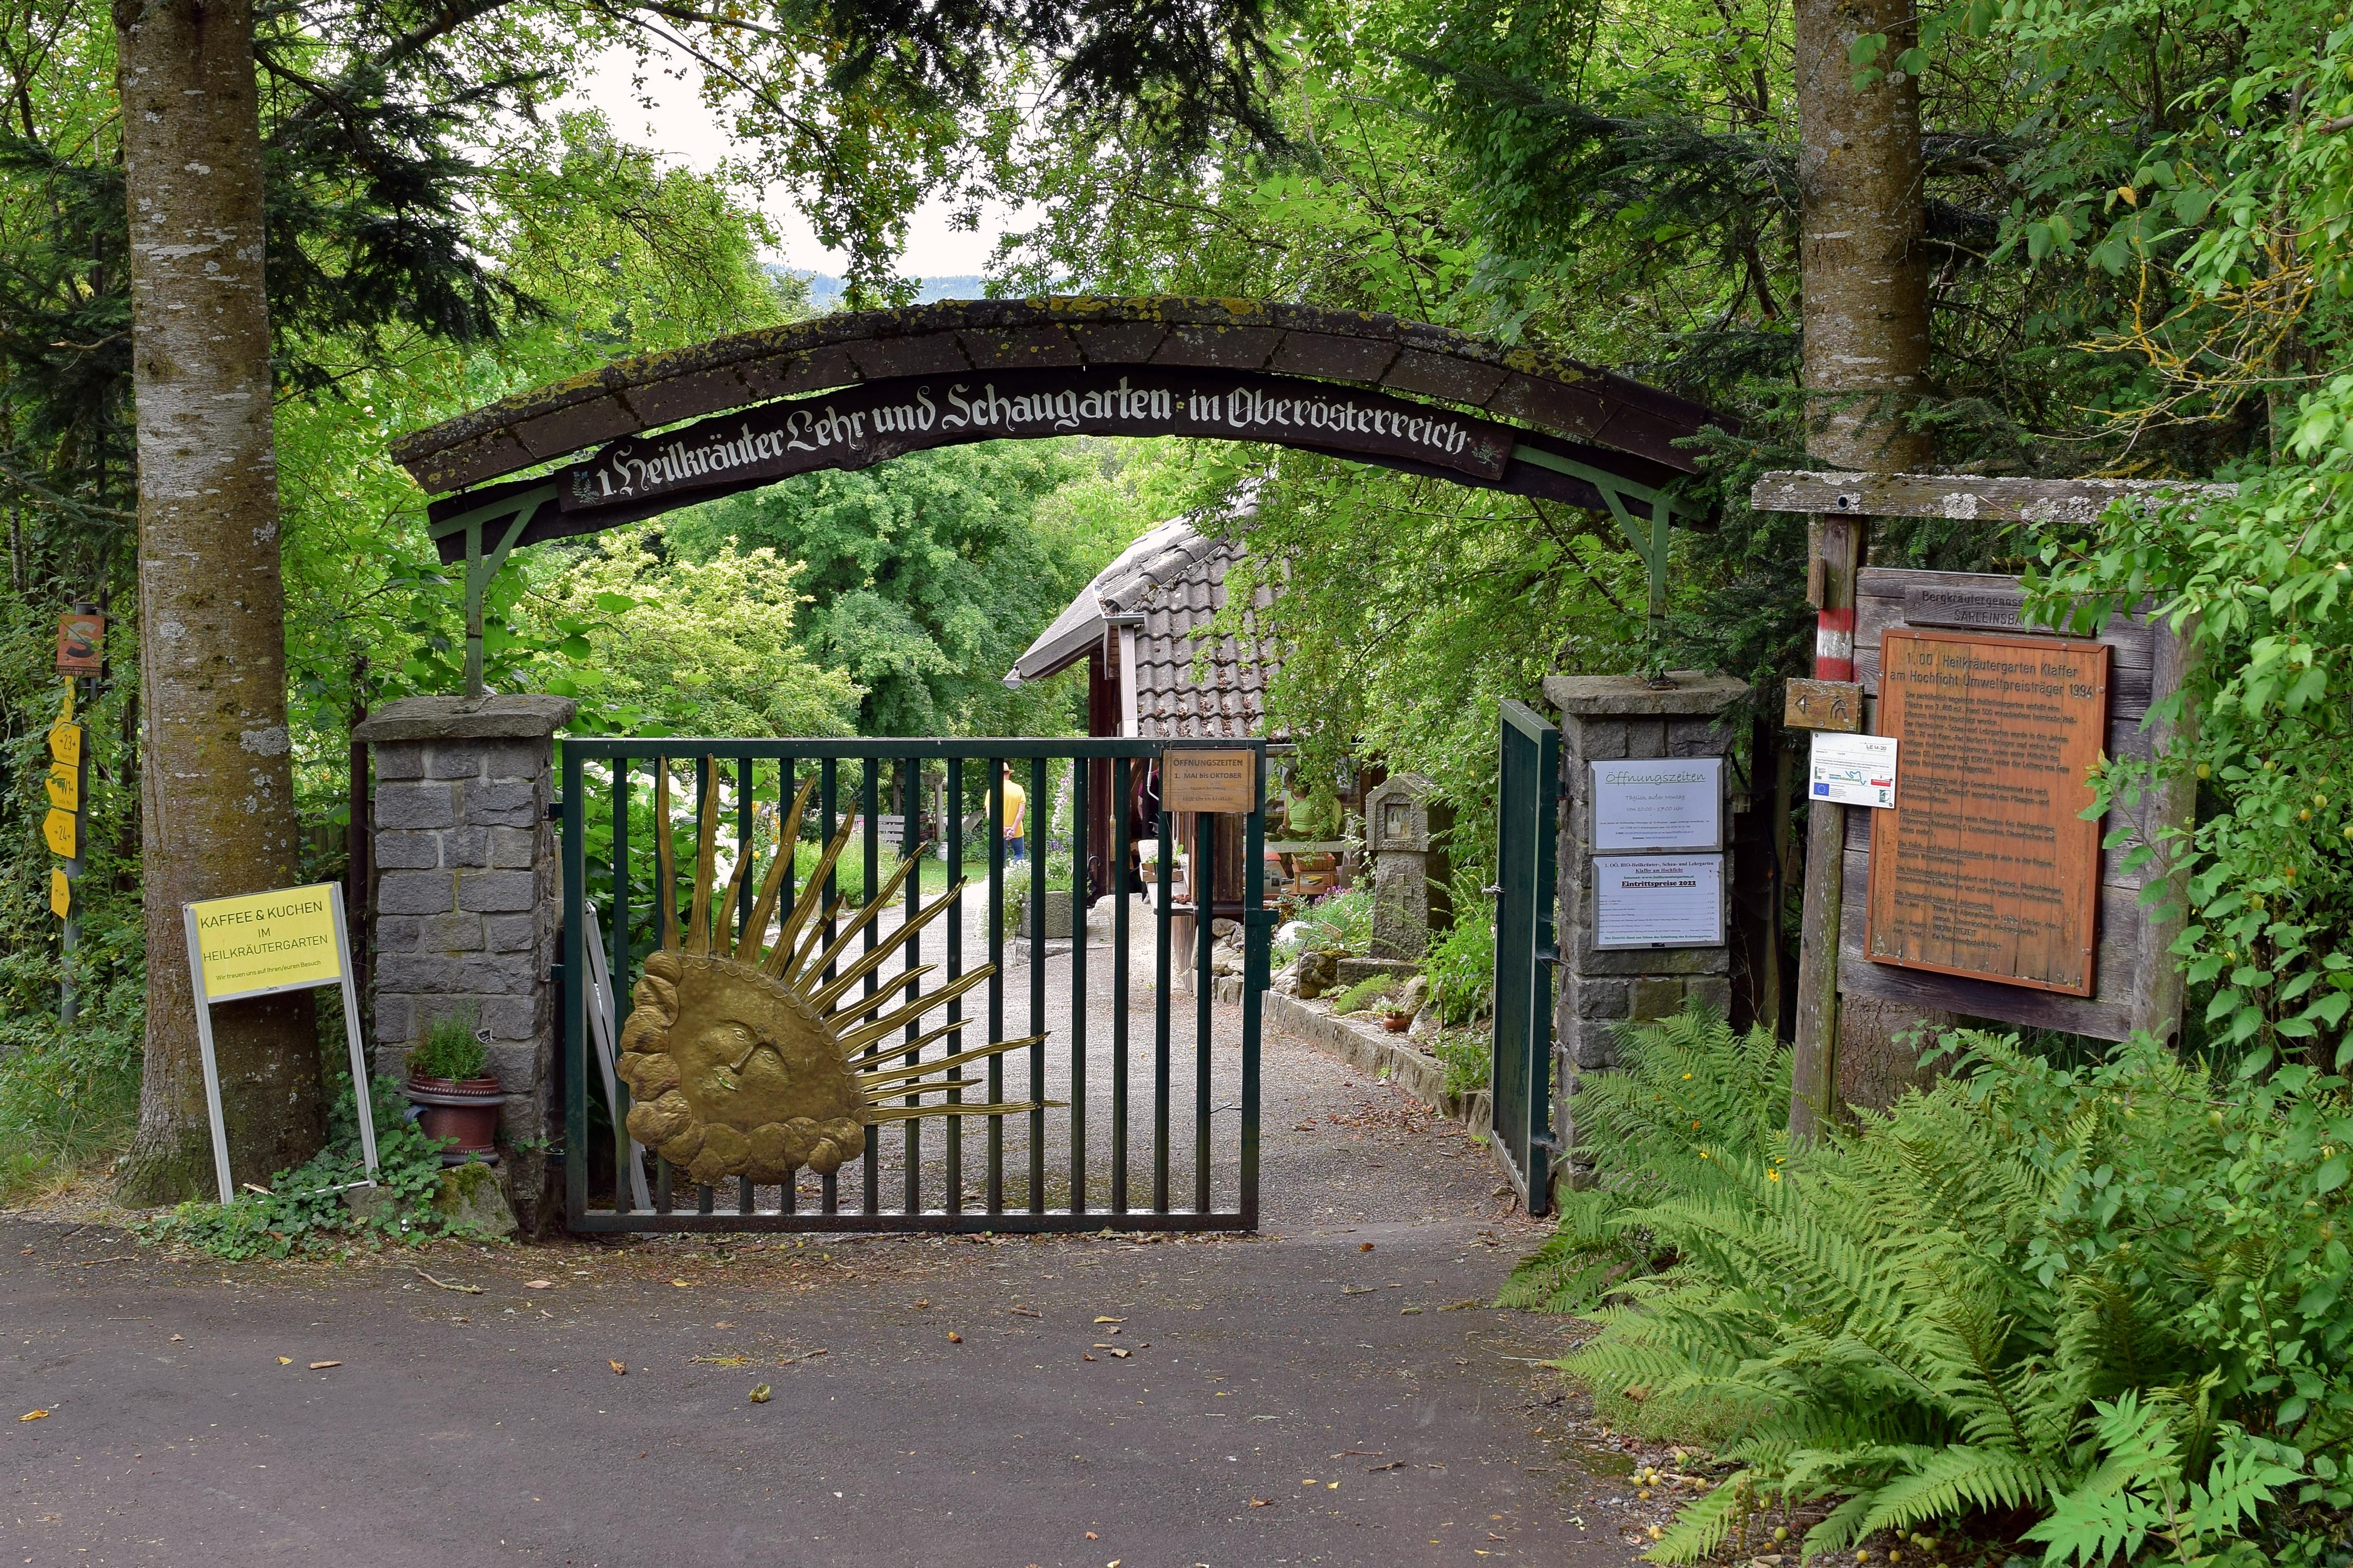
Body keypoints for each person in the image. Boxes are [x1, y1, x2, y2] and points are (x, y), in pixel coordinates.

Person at [1000, 761, 1028, 862]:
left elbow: (990, 814)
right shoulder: (1019, 789)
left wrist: (1003, 828)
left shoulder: (992, 790)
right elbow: (1021, 812)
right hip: (1017, 829)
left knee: (1000, 856)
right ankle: (1015, 877)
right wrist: (1013, 829)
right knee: (1019, 853)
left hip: (1000, 830)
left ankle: (1000, 877)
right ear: (1009, 774)